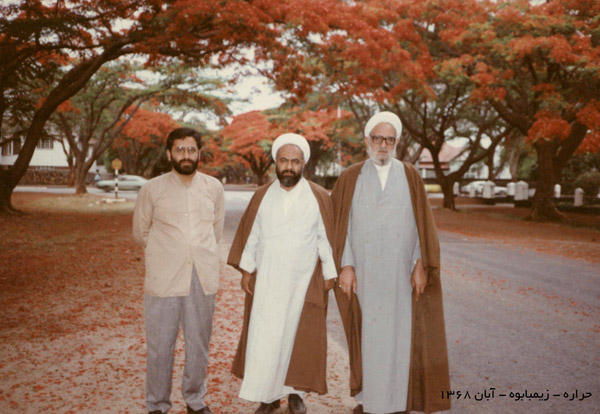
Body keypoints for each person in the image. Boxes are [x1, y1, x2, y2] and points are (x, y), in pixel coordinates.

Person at [330, 112, 450, 414]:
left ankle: (397, 402)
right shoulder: (351, 177)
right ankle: (371, 402)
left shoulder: (410, 175)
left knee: (400, 337)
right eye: (378, 138)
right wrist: (346, 266)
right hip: (365, 273)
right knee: (369, 338)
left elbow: (422, 225)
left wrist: (420, 264)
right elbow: (341, 226)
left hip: (401, 273)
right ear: (367, 140)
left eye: (389, 139)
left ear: (396, 143)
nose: (383, 144)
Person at [228, 133, 337, 414]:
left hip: (302, 281)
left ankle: (294, 394)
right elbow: (252, 235)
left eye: (295, 162)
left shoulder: (318, 195)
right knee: (267, 339)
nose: (289, 167)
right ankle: (268, 396)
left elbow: (325, 237)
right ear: (275, 162)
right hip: (268, 280)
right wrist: (247, 270)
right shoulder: (262, 195)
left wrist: (330, 273)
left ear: (304, 164)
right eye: (284, 160)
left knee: (297, 339)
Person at [133, 127, 225, 414]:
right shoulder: (152, 189)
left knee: (198, 343)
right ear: (169, 153)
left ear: (199, 153)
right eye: (180, 149)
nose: (186, 155)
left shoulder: (213, 188)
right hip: (164, 278)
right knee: (160, 345)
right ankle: (157, 404)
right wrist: (169, 253)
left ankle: (195, 400)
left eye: (191, 150)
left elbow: (216, 230)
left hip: (202, 277)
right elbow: (141, 232)